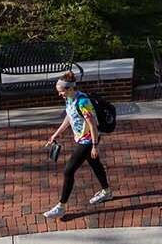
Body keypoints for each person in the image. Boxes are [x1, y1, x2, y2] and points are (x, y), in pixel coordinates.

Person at [42, 72, 112, 218]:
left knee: (68, 171)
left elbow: (92, 125)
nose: (59, 95)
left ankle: (61, 206)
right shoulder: (69, 99)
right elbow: (69, 116)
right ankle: (107, 192)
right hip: (82, 139)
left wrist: (94, 145)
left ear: (69, 89)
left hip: (87, 141)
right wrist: (57, 133)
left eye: (61, 92)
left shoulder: (83, 102)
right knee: (95, 165)